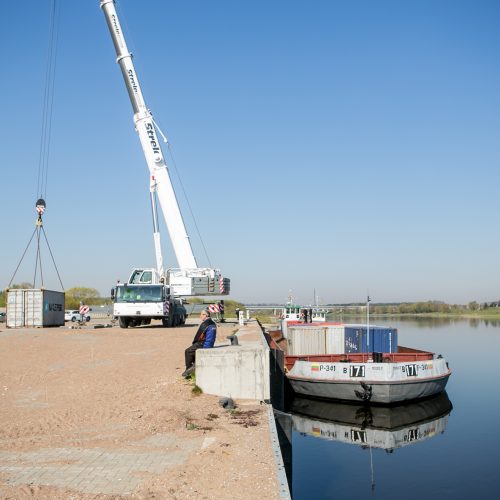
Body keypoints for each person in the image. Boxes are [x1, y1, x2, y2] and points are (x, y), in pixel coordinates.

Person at [182, 309, 216, 378]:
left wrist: (197, 345)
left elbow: (201, 337)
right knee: (193, 351)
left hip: (204, 344)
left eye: (201, 314)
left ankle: (188, 370)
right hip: (208, 343)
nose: (200, 316)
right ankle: (192, 368)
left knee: (188, 351)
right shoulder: (212, 323)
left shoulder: (206, 324)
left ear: (205, 315)